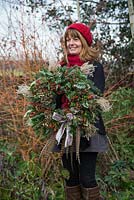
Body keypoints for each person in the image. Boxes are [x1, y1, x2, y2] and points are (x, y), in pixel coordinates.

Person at [53, 22, 108, 200]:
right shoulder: (61, 68)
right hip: (66, 128)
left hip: (89, 128)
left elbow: (95, 94)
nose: (71, 43)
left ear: (84, 41)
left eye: (75, 38)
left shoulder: (94, 67)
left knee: (87, 178)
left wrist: (71, 85)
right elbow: (55, 102)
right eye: (68, 39)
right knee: (71, 178)